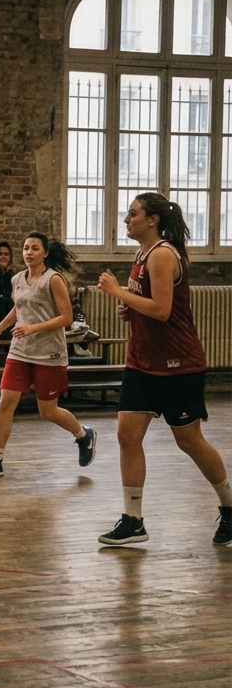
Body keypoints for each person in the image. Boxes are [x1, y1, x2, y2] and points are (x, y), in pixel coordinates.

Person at [95, 192, 232, 546]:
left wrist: (118, 293)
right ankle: (133, 519)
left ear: (152, 219)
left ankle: (230, 506)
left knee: (189, 440)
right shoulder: (141, 254)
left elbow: (161, 310)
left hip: (178, 364)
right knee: (127, 436)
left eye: (133, 214)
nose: (126, 220)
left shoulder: (162, 254)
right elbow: (146, 306)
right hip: (142, 362)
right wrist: (129, 307)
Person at [0, 233, 96, 478]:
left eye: (35, 248)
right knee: (6, 401)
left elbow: (67, 318)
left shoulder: (54, 279)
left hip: (48, 353)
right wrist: (0, 327)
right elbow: (19, 309)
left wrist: (32, 328)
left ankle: (84, 435)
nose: (29, 252)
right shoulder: (17, 278)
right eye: (26, 248)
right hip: (19, 352)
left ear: (45, 253)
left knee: (47, 411)